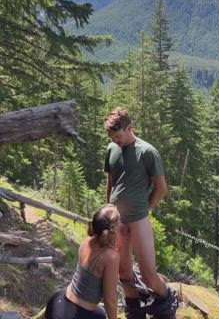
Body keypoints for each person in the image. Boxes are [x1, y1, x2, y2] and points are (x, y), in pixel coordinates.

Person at [104, 107, 178, 319]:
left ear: (130, 128)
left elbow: (161, 187)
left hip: (139, 219)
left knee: (148, 275)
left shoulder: (147, 152)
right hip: (117, 220)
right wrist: (108, 209)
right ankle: (134, 310)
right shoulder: (112, 149)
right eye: (112, 137)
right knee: (124, 272)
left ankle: (167, 301)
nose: (115, 140)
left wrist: (146, 208)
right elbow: (111, 183)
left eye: (118, 136)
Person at [45, 204, 120, 319]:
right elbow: (110, 300)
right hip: (74, 314)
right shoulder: (111, 257)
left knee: (99, 314)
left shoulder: (87, 241)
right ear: (114, 229)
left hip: (57, 302)